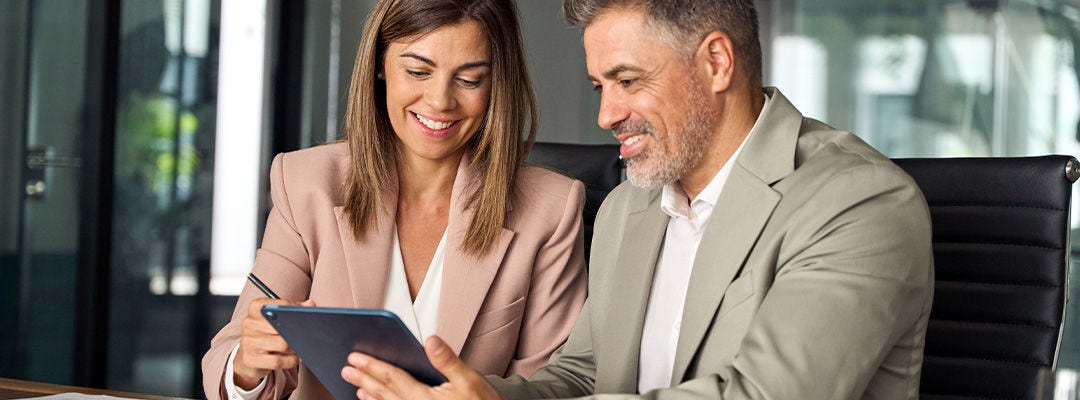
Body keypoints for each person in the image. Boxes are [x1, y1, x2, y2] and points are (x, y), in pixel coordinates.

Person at [339, 0, 935, 399]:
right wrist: (477, 391)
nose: (606, 114)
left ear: (716, 62)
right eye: (601, 86)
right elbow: (585, 373)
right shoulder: (633, 205)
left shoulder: (859, 202)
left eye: (628, 81)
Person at [201, 0, 589, 398]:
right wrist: (248, 366)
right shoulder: (305, 183)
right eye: (418, 71)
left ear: (497, 85)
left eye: (470, 79)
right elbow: (225, 368)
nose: (440, 101)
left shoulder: (552, 210)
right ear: (380, 65)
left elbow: (557, 386)